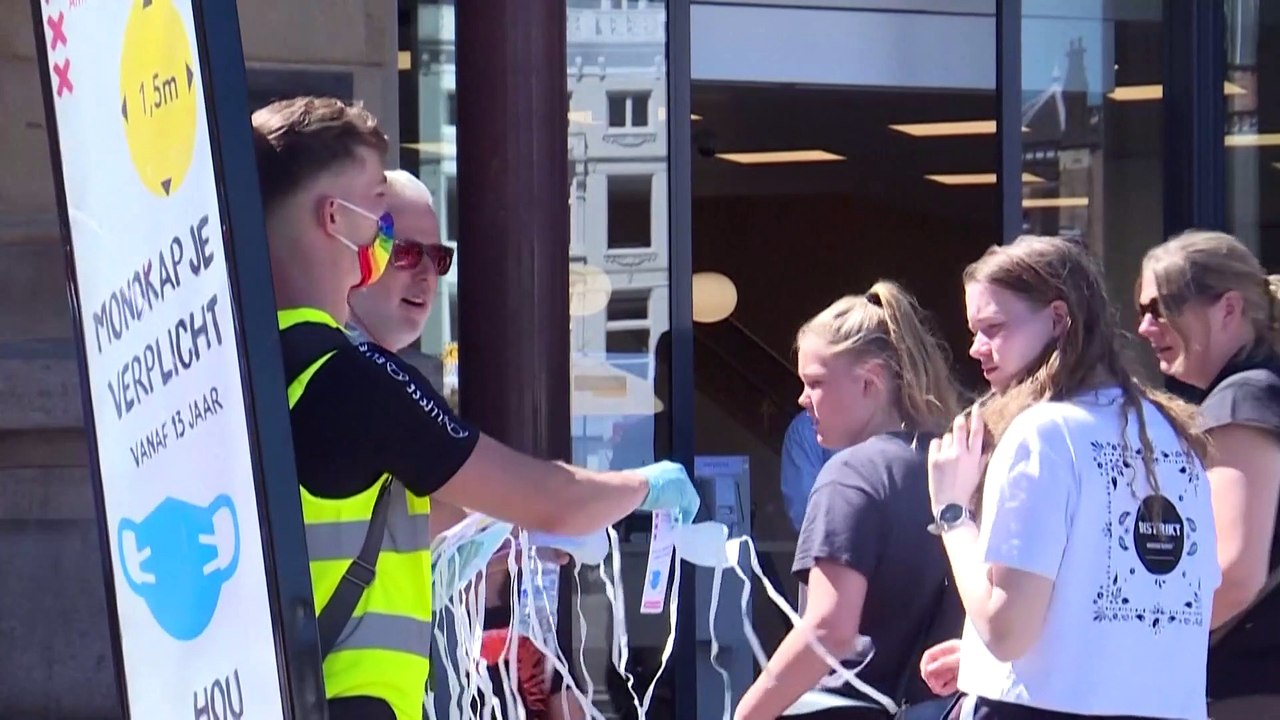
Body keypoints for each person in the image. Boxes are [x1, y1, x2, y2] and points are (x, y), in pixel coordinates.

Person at [251, 95, 699, 720]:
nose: (392, 242)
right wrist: (641, 485)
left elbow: (349, 516)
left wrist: (475, 533)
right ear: (336, 219)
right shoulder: (355, 378)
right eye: (382, 214)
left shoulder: (246, 367)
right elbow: (553, 498)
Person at [928, 235, 1218, 719]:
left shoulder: (1042, 435)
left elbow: (1006, 630)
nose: (977, 348)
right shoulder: (1173, 435)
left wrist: (953, 514)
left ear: (1058, 319)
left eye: (993, 327)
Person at [734, 281, 965, 720]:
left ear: (869, 381)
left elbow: (829, 629)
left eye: (815, 382)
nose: (803, 399)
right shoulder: (960, 464)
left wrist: (747, 714)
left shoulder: (850, 477)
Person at [1136, 230, 1280, 717]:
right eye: (1142, 311)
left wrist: (1131, 649)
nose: (1145, 327)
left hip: (1246, 692)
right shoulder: (1257, 390)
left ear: (1228, 309)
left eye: (1160, 308)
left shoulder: (1243, 400)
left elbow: (1234, 573)